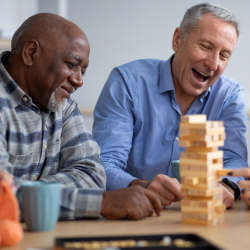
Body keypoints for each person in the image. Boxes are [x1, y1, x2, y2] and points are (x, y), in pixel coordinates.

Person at [0, 13, 162, 220]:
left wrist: (24, 194)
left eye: (83, 71)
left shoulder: (63, 107)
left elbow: (93, 174)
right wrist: (97, 203)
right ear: (31, 53)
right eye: (71, 64)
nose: (79, 81)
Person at [93, 3, 248, 209]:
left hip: (201, 217)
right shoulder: (128, 82)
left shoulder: (230, 96)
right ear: (177, 39)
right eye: (205, 46)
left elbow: (235, 159)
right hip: (133, 214)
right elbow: (105, 164)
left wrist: (228, 187)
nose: (213, 64)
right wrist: (142, 186)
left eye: (223, 55)